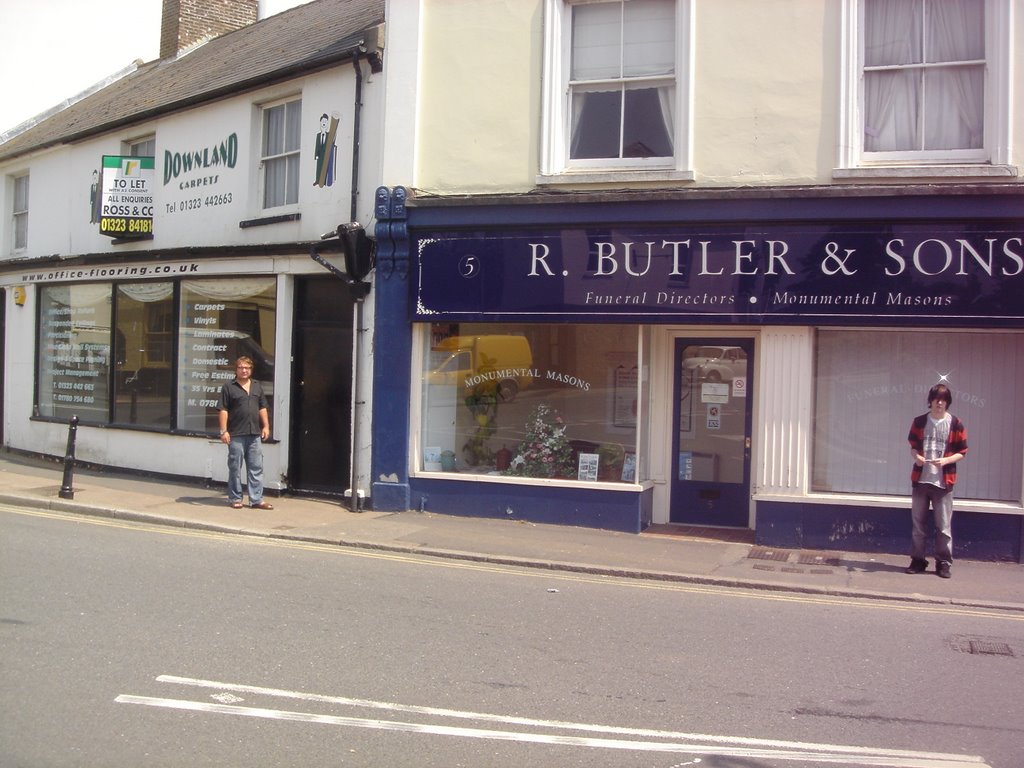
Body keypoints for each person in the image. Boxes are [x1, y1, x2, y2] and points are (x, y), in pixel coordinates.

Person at [906, 383, 967, 578]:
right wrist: (917, 457)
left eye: (943, 399)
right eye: (936, 398)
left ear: (947, 402)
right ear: (930, 400)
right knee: (918, 526)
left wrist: (946, 460)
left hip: (944, 483)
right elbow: (913, 446)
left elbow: (962, 452)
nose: (939, 402)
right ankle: (918, 560)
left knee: (943, 527)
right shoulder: (919, 422)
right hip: (921, 481)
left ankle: (943, 563)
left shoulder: (956, 423)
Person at [218, 356, 274, 510]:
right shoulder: (228, 387)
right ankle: (235, 498)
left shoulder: (257, 386)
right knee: (235, 468)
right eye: (241, 367)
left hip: (254, 434)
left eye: (247, 368)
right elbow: (223, 410)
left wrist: (266, 426)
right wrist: (224, 431)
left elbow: (262, 407)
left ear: (251, 370)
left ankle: (256, 500)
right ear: (236, 369)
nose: (244, 370)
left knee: (256, 467)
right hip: (236, 434)